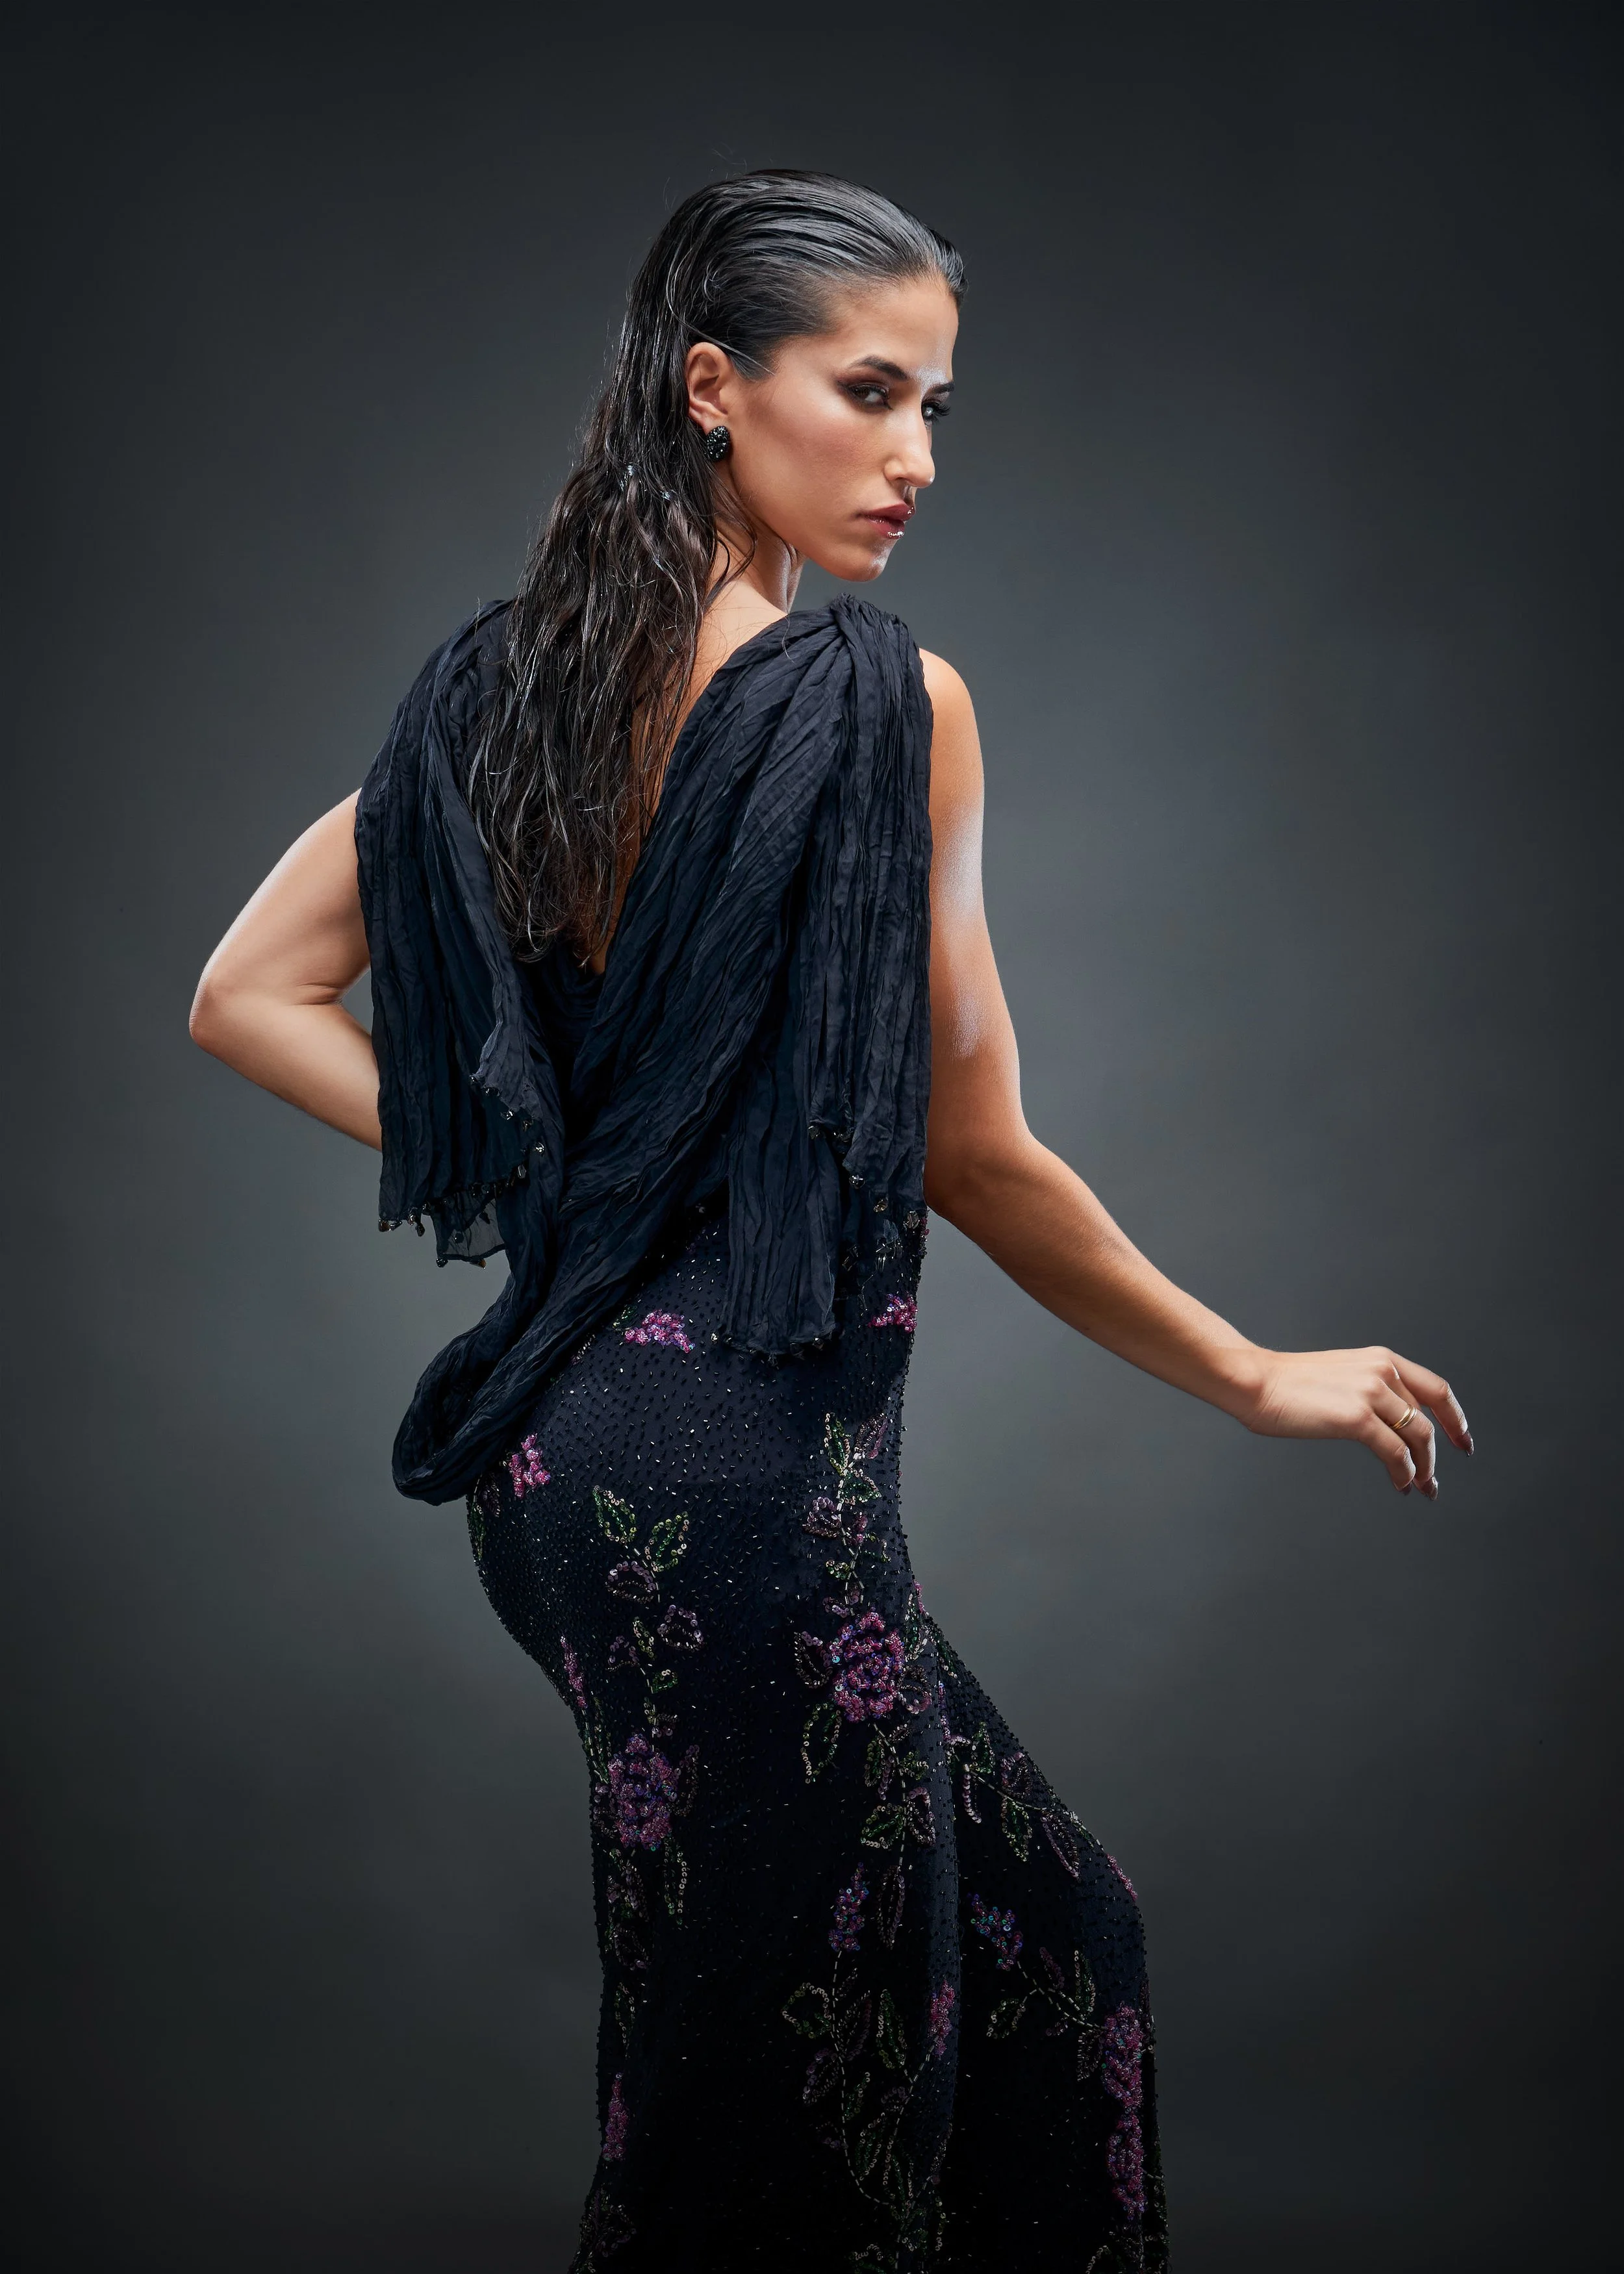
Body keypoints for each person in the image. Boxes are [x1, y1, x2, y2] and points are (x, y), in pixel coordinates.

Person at [190, 171, 1470, 2273]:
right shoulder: (887, 698)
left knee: (1042, 1942)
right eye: (870, 392)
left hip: (570, 1470)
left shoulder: (500, 688)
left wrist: (557, 1164)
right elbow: (978, 1150)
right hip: (743, 1481)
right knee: (789, 2098)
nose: (915, 456)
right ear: (710, 386)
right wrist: (1251, 1370)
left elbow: (245, 990)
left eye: (935, 407)